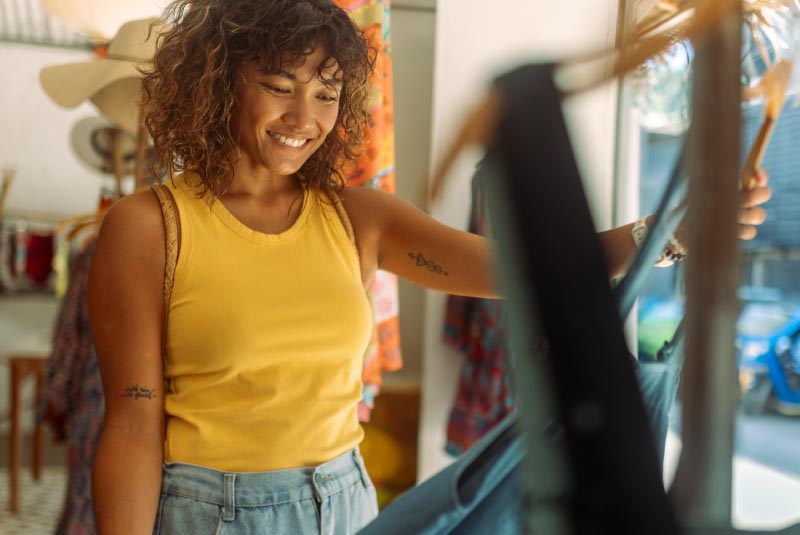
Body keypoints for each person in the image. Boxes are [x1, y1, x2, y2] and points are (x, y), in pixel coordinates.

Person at [87, 1, 772, 533]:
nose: (305, 116)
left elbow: (526, 270)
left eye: (327, 92)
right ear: (218, 80)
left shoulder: (357, 217)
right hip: (211, 512)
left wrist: (672, 231)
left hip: (346, 502)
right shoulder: (148, 226)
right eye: (279, 85)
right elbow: (131, 421)